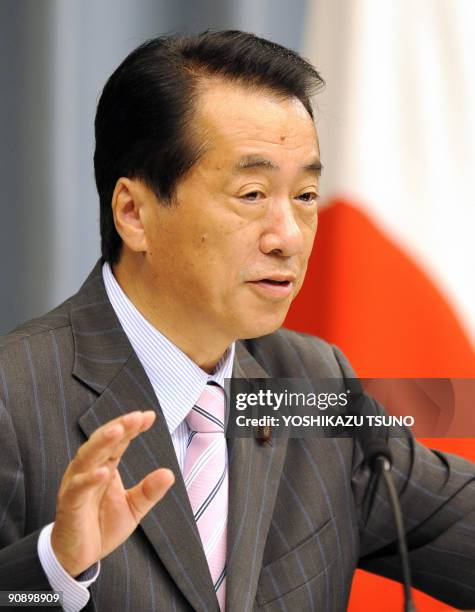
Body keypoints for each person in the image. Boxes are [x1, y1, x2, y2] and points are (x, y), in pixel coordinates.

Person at [0, 30, 473, 612]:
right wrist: (55, 571)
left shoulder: (307, 381)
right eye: (251, 194)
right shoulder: (14, 398)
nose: (290, 238)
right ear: (134, 213)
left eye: (304, 195)